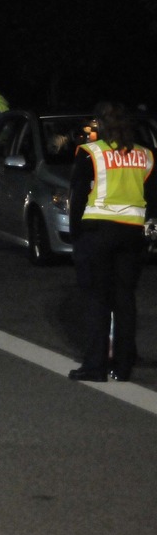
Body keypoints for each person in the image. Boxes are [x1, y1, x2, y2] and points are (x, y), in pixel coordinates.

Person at [67, 101, 157, 382]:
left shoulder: (90, 153)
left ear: (102, 125)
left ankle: (95, 366)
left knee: (97, 299)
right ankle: (123, 364)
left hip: (98, 232)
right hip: (132, 234)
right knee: (125, 299)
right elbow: (152, 198)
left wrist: (76, 236)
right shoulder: (146, 155)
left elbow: (79, 198)